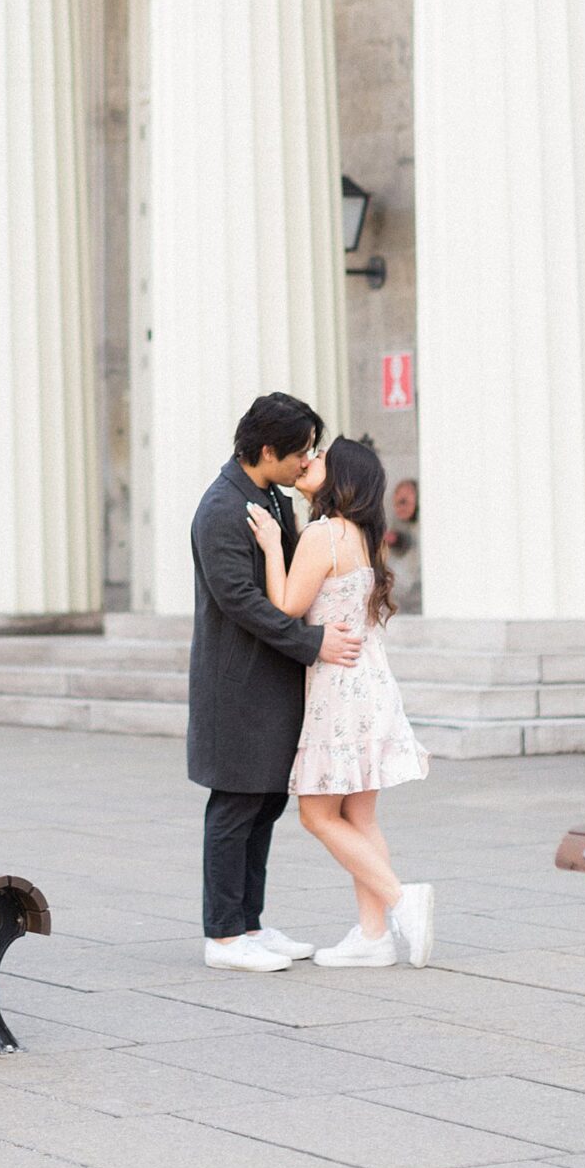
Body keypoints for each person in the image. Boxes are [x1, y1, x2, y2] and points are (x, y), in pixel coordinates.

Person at [188, 393, 362, 974]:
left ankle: (249, 925)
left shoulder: (267, 496)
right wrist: (312, 644)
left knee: (263, 806)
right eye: (301, 452)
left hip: (270, 681)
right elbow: (239, 600)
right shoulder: (220, 509)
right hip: (236, 686)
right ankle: (222, 936)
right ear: (267, 450)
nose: (306, 461)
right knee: (235, 806)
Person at [250, 435, 433, 968]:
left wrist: (268, 548)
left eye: (321, 459)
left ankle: (401, 899)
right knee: (359, 816)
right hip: (370, 684)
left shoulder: (322, 534)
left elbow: (286, 606)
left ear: (339, 479)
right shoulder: (362, 534)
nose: (309, 462)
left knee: (316, 813)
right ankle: (373, 937)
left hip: (340, 689)